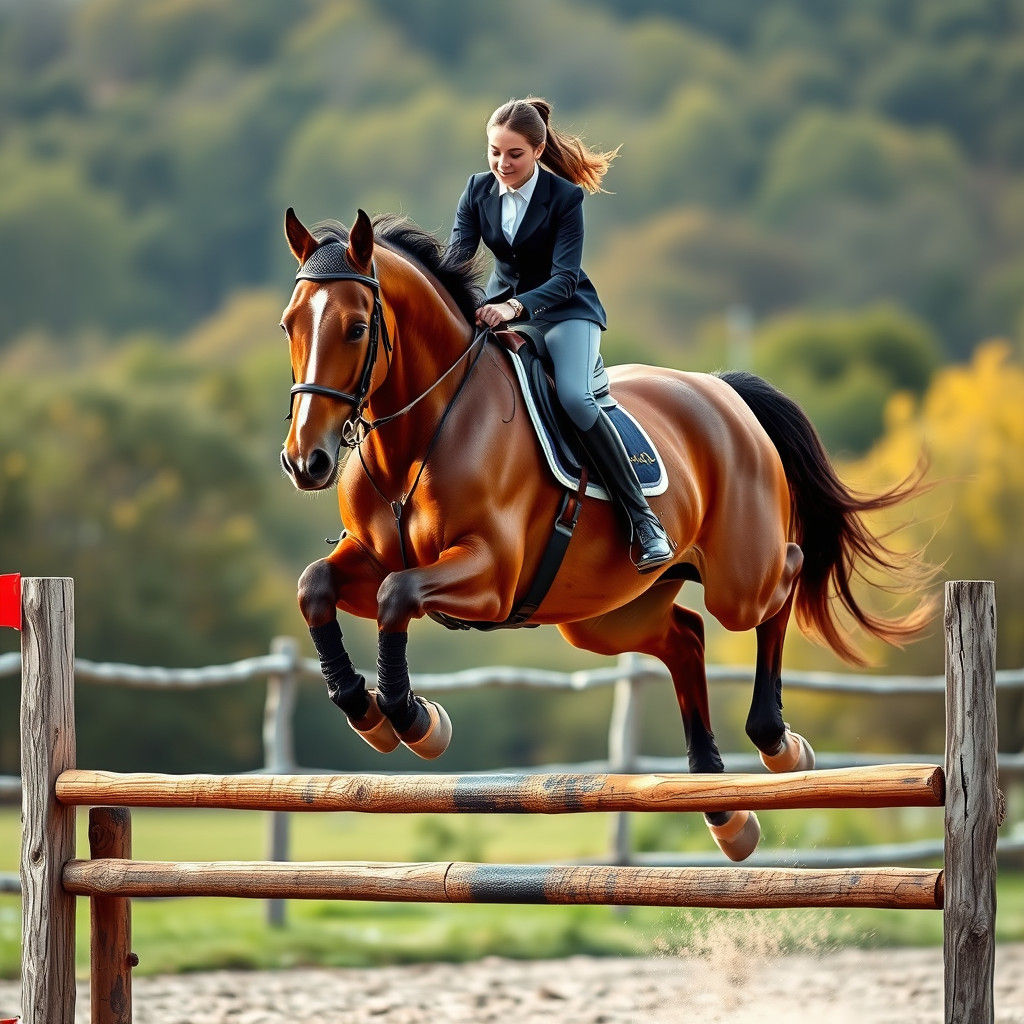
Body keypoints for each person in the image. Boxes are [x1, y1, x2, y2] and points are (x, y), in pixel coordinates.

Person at [447, 96, 673, 572]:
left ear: (537, 149)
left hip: (566, 311)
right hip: (500, 311)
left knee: (574, 397)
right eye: (494, 152)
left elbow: (565, 277)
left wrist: (514, 305)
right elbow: (456, 263)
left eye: (514, 155)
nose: (501, 164)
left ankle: (645, 520)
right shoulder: (475, 191)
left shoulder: (564, 198)